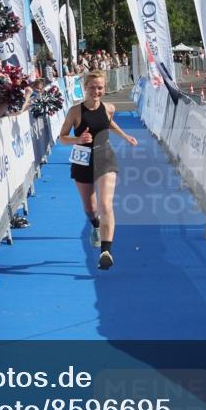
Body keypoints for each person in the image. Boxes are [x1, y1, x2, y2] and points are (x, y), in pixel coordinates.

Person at [58, 70, 138, 271]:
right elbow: (62, 137)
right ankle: (95, 224)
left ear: (105, 88)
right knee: (91, 209)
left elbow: (108, 122)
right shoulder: (75, 112)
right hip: (82, 159)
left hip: (105, 157)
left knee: (105, 205)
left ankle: (106, 251)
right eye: (92, 87)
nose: (96, 91)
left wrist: (125, 136)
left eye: (100, 87)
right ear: (85, 87)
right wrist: (78, 139)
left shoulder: (109, 107)